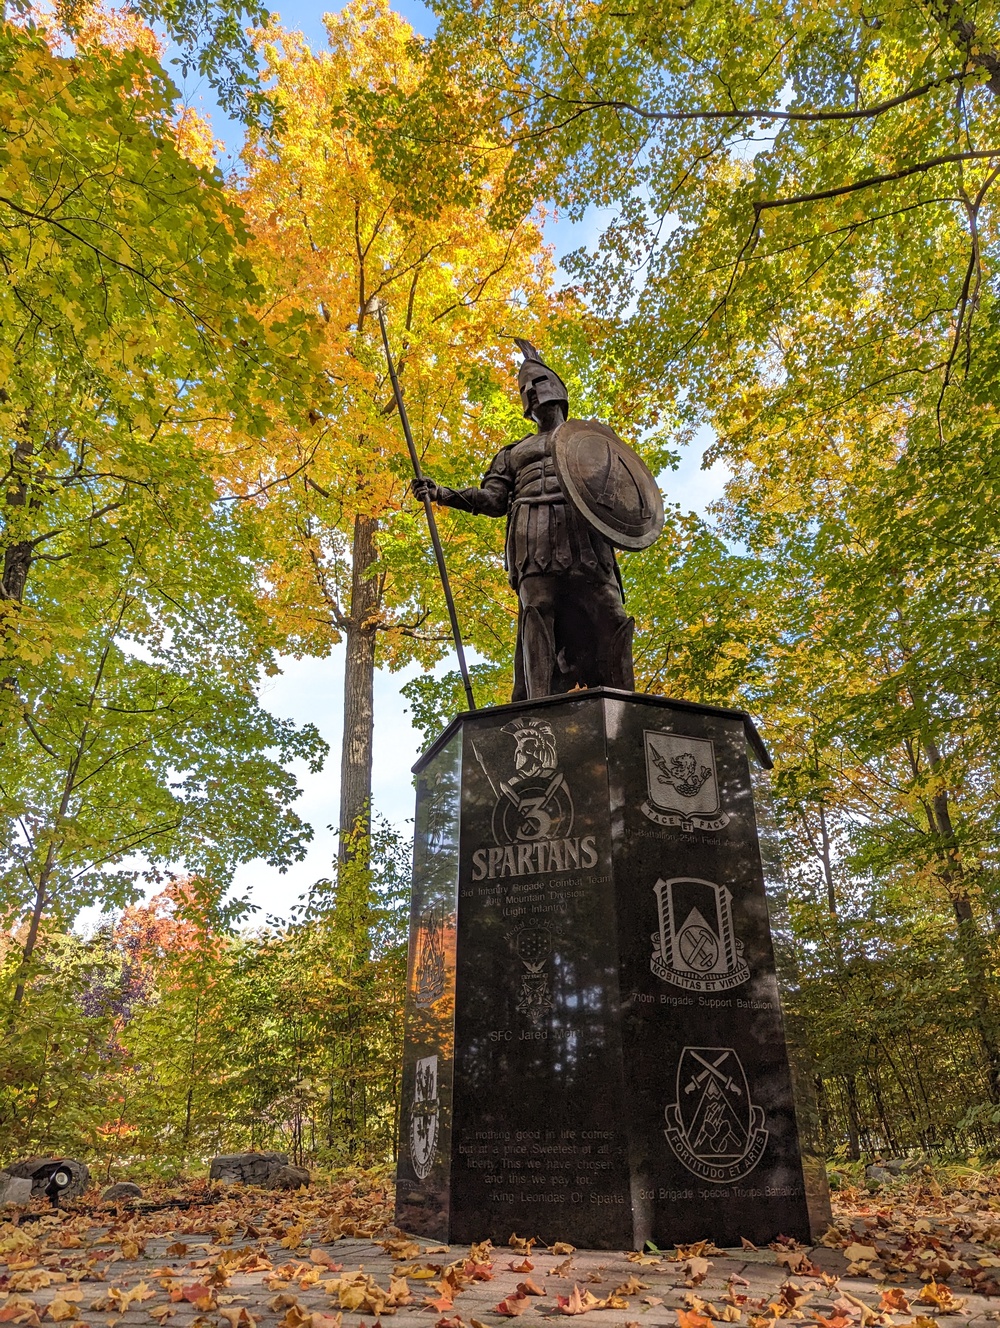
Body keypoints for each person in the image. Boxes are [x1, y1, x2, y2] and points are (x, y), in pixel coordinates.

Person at [411, 342, 635, 701]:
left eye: (539, 381)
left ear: (559, 390)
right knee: (538, 609)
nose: (531, 391)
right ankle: (538, 706)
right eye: (524, 389)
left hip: (585, 535)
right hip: (532, 536)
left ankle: (627, 704)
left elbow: (622, 488)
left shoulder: (591, 438)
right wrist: (443, 493)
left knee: (610, 610)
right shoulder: (512, 453)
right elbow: (494, 500)